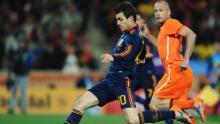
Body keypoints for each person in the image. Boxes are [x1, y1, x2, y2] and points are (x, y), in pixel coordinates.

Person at [64, 2, 191, 124]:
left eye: (121, 19)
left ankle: (176, 114)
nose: (118, 23)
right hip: (109, 81)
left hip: (122, 83)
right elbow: (136, 51)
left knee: (133, 120)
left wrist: (114, 56)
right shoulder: (127, 34)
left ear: (130, 19)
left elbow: (128, 52)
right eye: (117, 19)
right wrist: (140, 56)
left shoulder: (135, 36)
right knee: (79, 104)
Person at [143, 0, 206, 122]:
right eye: (156, 11)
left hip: (175, 71)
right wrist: (148, 36)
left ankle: (194, 103)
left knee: (154, 105)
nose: (157, 13)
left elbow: (192, 35)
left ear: (169, 12)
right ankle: (190, 112)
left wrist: (186, 58)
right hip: (183, 73)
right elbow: (161, 46)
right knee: (179, 109)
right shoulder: (164, 29)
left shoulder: (170, 23)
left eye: (161, 10)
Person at [134, 13, 157, 110]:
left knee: (151, 103)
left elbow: (150, 54)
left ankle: (169, 119)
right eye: (135, 20)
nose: (136, 22)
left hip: (147, 73)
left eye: (138, 19)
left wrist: (138, 57)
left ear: (143, 22)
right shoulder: (135, 37)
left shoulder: (146, 37)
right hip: (137, 73)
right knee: (124, 91)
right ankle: (144, 103)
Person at [8, 41, 34, 114]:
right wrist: (9, 75)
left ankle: (23, 109)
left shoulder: (28, 53)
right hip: (16, 75)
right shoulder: (16, 53)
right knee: (14, 92)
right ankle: (11, 108)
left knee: (24, 93)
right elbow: (11, 64)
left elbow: (31, 63)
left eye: (22, 43)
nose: (21, 44)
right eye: (20, 43)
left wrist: (28, 68)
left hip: (24, 76)